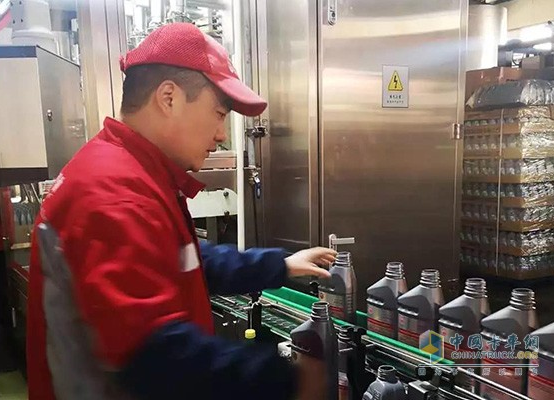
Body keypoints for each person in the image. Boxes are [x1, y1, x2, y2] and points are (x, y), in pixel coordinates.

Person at [27, 22, 336, 400]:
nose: (222, 134)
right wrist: (289, 380)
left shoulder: (129, 172)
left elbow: (178, 260)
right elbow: (155, 353)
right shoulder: (114, 192)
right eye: (220, 113)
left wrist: (279, 266)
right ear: (169, 98)